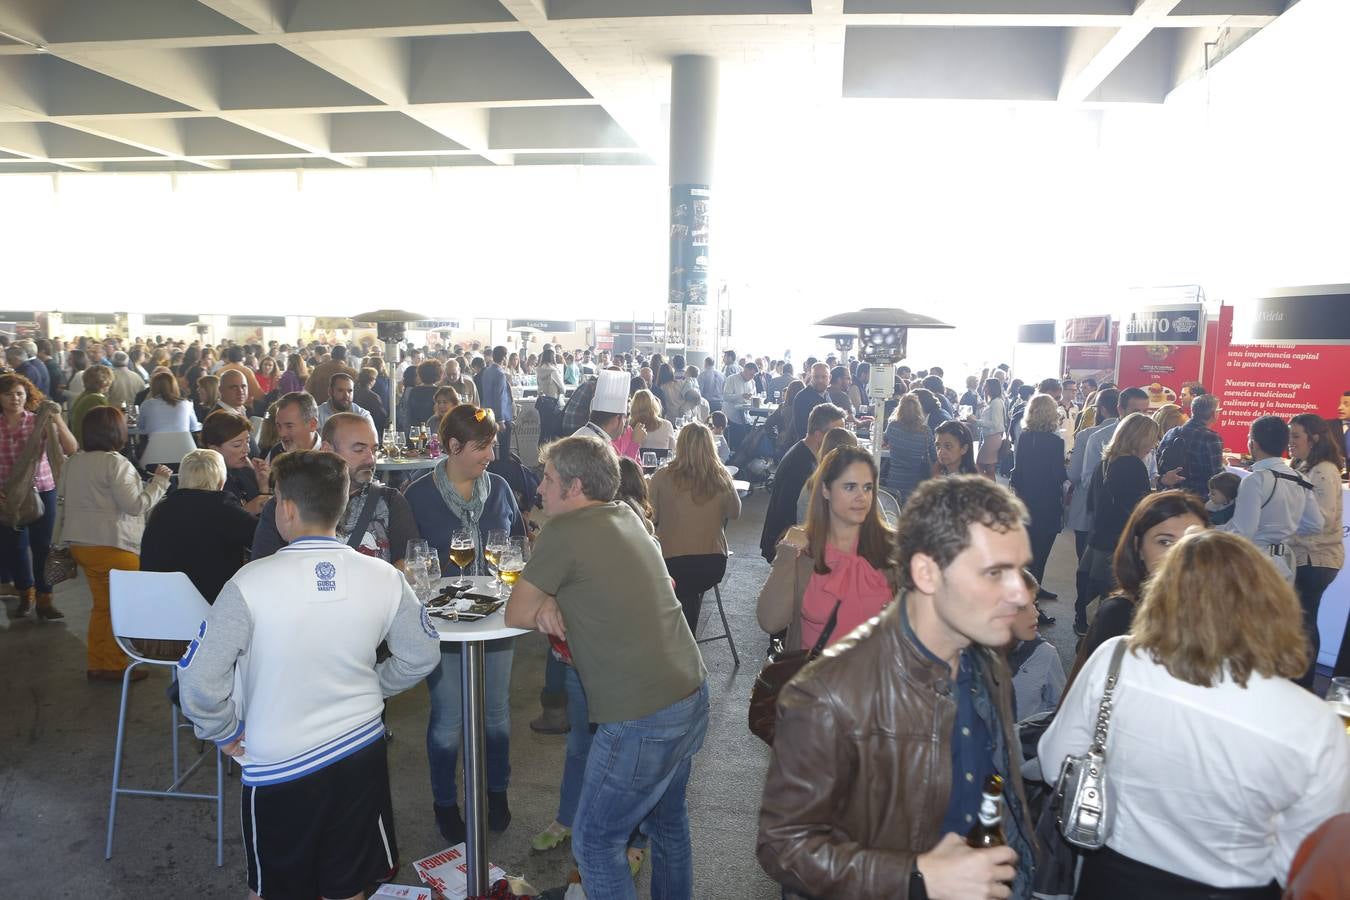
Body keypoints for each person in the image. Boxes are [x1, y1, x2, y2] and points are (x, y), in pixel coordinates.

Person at [177, 449, 441, 900]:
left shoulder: (249, 583)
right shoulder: (384, 576)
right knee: (351, 882)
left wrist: (220, 731)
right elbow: (421, 654)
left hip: (281, 762)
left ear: (288, 508)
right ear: (340, 507)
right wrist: (374, 686)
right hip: (360, 750)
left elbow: (200, 679)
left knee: (279, 887)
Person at [758, 475, 1036, 899]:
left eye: (1018, 570)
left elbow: (992, 784)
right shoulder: (828, 694)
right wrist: (916, 877)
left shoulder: (988, 668)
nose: (1019, 594)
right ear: (926, 572)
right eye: (995, 572)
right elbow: (784, 848)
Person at [1041, 531, 1350, 900]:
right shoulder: (1313, 722)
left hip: (1110, 876)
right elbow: (1309, 849)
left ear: (1162, 594)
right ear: (1271, 602)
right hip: (1239, 886)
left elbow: (1054, 761)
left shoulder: (1117, 660)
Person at [505, 436, 709, 899]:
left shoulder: (564, 531)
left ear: (574, 487)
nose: (540, 487)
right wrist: (554, 598)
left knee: (596, 842)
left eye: (549, 479)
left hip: (642, 715)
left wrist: (545, 601)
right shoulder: (627, 515)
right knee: (667, 824)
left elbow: (515, 613)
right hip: (690, 691)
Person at [403, 404, 525, 844]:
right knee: (448, 716)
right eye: (483, 447)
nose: (491, 455)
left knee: (495, 713)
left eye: (492, 445)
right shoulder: (416, 496)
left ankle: (496, 791)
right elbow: (409, 566)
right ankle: (444, 801)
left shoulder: (500, 490)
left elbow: (517, 548)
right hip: (443, 626)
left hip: (495, 622)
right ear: (453, 447)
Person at [59, 406, 172, 680]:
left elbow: (63, 499)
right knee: (122, 609)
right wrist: (159, 482)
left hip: (81, 545)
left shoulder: (73, 461)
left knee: (102, 606)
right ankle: (116, 664)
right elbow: (135, 506)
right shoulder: (115, 463)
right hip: (114, 547)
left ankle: (98, 662)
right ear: (117, 432)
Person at [757, 444, 895, 652]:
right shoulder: (803, 551)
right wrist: (786, 554)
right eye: (850, 487)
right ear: (825, 490)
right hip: (813, 680)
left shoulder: (892, 549)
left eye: (867, 487)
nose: (862, 497)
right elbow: (770, 621)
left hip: (875, 680)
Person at [1067, 489, 1209, 688]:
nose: (1180, 553)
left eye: (1192, 541)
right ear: (1138, 547)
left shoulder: (1223, 612)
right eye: (1165, 542)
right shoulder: (1120, 614)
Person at [252, 412, 419, 567]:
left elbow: (409, 562)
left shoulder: (390, 501)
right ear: (327, 450)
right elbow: (264, 568)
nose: (371, 459)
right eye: (359, 449)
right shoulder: (287, 504)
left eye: (374, 449)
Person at [649, 422, 741, 633]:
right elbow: (735, 513)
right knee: (691, 592)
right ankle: (686, 636)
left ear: (679, 445)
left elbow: (651, 518)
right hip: (712, 561)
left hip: (672, 563)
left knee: (679, 589)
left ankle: (677, 637)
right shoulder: (721, 477)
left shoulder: (662, 476)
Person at [0, 374, 78, 621]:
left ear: (28, 395)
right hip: (8, 496)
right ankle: (26, 594)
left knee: (43, 547)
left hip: (44, 489)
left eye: (20, 393)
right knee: (15, 548)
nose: (15, 399)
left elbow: (71, 448)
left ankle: (45, 599)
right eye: (9, 393)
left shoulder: (38, 421)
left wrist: (56, 418)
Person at [139, 448, 257, 604]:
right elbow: (261, 538)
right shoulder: (224, 508)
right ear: (221, 482)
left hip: (162, 604)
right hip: (210, 606)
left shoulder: (161, 510)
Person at [1077, 412, 1161, 631]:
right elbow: (1140, 510)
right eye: (1152, 439)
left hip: (1098, 539)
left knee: (1094, 599)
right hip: (1119, 544)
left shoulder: (1105, 463)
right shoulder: (1133, 465)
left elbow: (1092, 504)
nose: (1154, 444)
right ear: (1140, 439)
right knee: (1113, 609)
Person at [1220, 415, 1323, 583]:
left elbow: (1243, 532)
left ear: (1253, 443)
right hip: (1286, 562)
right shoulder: (1300, 479)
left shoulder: (1255, 480)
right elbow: (1315, 524)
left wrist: (1213, 535)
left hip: (1255, 563)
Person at [1286, 412, 1345, 689]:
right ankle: (1299, 681)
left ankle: (1302, 683)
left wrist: (1284, 522)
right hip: (1309, 557)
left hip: (1315, 559)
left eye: (1296, 435)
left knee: (1304, 621)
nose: (1291, 441)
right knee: (1301, 620)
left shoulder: (1322, 470)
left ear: (1315, 438)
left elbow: (1320, 520)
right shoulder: (1308, 466)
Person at [760, 403, 846, 563]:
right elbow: (793, 518)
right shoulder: (800, 466)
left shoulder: (807, 452)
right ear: (819, 435)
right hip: (784, 545)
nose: (840, 440)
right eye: (836, 434)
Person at [1009, 393, 1067, 600]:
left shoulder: (1024, 438)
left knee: (1028, 553)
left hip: (1026, 502)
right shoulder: (1055, 443)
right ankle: (1032, 598)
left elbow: (1018, 472)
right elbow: (1057, 476)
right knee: (1041, 555)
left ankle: (1031, 591)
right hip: (1048, 504)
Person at [1006, 576, 1065, 720]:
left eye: (1034, 604)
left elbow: (1059, 711)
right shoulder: (968, 659)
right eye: (1021, 607)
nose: (1036, 613)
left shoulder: (1044, 654)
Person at [202, 410, 271, 516]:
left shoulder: (246, 470)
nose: (247, 450)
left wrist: (263, 485)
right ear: (214, 449)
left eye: (247, 442)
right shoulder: (204, 482)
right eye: (237, 445)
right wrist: (245, 511)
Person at [1157, 393, 1224, 497]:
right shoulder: (1211, 438)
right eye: (1219, 411)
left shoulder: (1171, 432)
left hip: (1169, 495)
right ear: (1213, 414)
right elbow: (1216, 477)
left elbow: (1158, 463)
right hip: (1198, 498)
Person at [573, 369, 640, 461]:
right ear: (618, 419)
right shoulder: (599, 448)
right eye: (626, 417)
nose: (627, 423)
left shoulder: (583, 433)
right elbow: (621, 475)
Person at [882, 393, 934, 505]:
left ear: (899, 409)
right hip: (916, 483)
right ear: (919, 409)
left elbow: (884, 440)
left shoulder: (893, 427)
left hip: (894, 480)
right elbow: (934, 457)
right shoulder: (926, 431)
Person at [136, 370, 201, 438]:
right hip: (184, 446)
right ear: (175, 386)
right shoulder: (186, 404)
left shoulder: (147, 404)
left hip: (156, 447)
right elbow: (194, 427)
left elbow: (140, 426)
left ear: (153, 387)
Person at [478, 347, 515, 461]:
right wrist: (501, 420)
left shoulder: (486, 371)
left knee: (489, 446)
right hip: (500, 416)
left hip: (486, 413)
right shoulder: (500, 374)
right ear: (504, 358)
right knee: (504, 450)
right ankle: (504, 473)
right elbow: (499, 398)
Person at [69, 363, 114, 448]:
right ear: (105, 381)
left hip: (80, 443)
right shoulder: (97, 399)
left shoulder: (85, 395)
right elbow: (106, 427)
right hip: (90, 446)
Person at [268, 391, 321, 459]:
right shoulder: (276, 452)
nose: (281, 434)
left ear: (312, 424)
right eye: (279, 426)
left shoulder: (330, 458)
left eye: (289, 426)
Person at [788, 362, 831, 445]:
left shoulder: (826, 395)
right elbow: (802, 430)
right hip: (810, 448)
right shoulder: (802, 397)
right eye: (816, 377)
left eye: (824, 377)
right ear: (811, 377)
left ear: (830, 377)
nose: (820, 380)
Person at [354, 366, 388, 435]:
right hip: (370, 429)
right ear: (372, 380)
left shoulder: (353, 393)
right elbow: (381, 417)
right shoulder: (373, 397)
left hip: (354, 428)